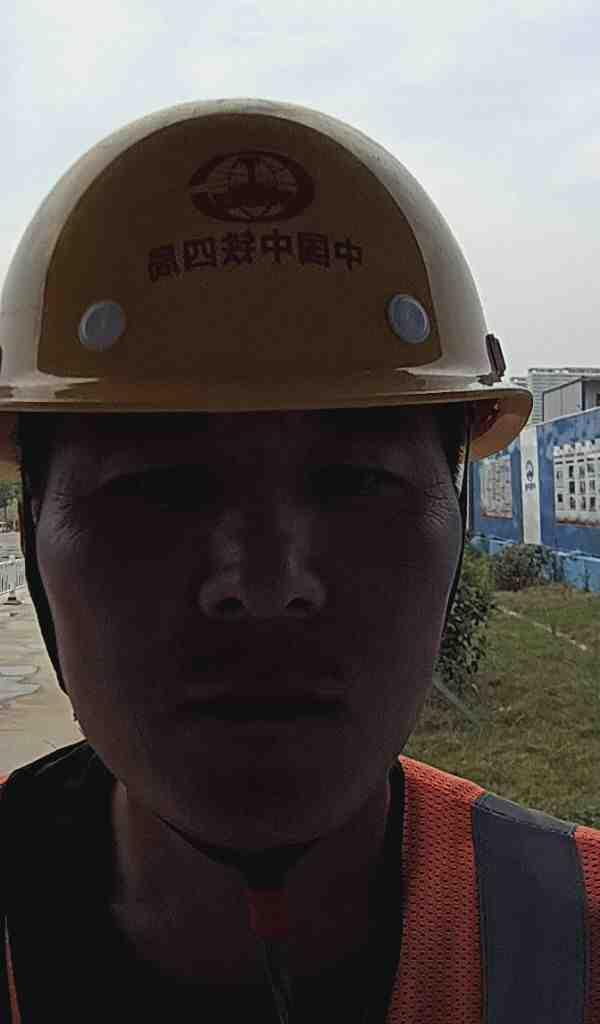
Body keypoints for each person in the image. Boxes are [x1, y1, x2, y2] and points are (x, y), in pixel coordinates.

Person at [0, 100, 596, 1024]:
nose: (267, 585)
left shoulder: (577, 935)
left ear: (454, 522)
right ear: (33, 535)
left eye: (354, 483)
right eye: (157, 490)